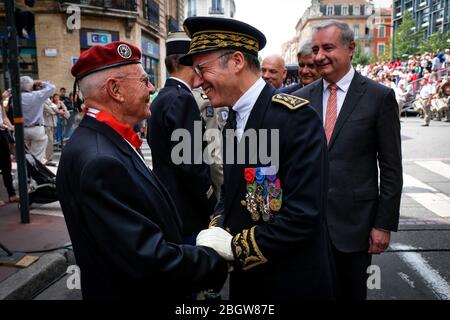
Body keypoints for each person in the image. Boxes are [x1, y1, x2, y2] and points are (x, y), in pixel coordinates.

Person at [56, 41, 228, 300]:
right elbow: (146, 257)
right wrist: (214, 261)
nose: (151, 88)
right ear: (115, 89)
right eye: (144, 80)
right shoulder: (100, 160)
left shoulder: (102, 140)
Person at [181, 16, 336, 300]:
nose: (198, 80)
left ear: (237, 61)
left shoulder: (295, 118)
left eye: (203, 69)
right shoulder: (233, 118)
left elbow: (304, 214)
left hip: (290, 282)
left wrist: (237, 248)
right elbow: (230, 192)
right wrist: (215, 232)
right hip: (249, 282)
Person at [293, 20, 403, 300]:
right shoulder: (300, 99)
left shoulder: (379, 97)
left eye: (328, 47)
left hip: (353, 228)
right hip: (304, 227)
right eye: (316, 49)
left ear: (351, 48)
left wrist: (383, 224)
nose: (319, 56)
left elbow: (390, 167)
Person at [147, 32, 217, 244]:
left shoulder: (162, 97)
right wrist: (210, 200)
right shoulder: (182, 99)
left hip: (167, 199)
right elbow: (191, 164)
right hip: (186, 206)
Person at [21, 77, 55, 163]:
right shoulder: (37, 95)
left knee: (24, 156)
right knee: (36, 157)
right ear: (31, 86)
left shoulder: (15, 96)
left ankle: (26, 174)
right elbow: (52, 87)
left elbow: (9, 91)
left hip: (21, 129)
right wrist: (42, 83)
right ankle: (33, 173)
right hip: (36, 128)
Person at [0, 90, 19, 206]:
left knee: (6, 165)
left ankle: (11, 194)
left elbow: (4, 117)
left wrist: (11, 126)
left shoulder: (1, 103)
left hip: (2, 134)